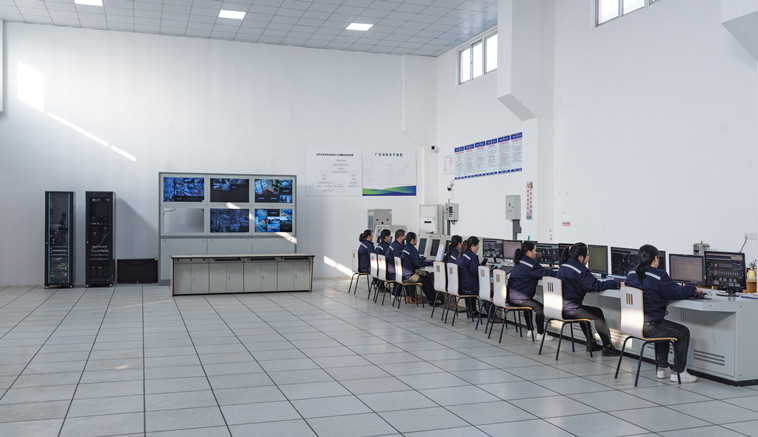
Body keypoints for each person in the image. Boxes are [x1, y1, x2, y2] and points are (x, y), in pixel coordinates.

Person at [625, 245, 701, 383]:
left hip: (632, 325)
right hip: (650, 326)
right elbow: (677, 292)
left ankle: (662, 368)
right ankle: (679, 372)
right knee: (683, 332)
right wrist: (693, 289)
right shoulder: (658, 276)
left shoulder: (630, 273)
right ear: (655, 258)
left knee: (664, 328)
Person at [556, 243, 621, 357]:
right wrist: (617, 284)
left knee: (585, 311)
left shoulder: (563, 266)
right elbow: (596, 286)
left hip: (560, 308)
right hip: (571, 310)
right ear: (580, 257)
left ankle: (591, 343)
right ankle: (607, 347)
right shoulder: (581, 270)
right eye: (587, 255)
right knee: (598, 313)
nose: (589, 258)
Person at [507, 241, 556, 342]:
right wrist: (562, 273)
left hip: (510, 297)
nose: (536, 253)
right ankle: (541, 334)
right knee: (540, 308)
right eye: (534, 250)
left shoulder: (519, 260)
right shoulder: (531, 264)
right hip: (519, 299)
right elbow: (546, 273)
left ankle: (530, 330)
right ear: (529, 252)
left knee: (528, 305)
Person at [458, 236, 501, 322]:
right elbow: (477, 274)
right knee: (489, 292)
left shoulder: (462, 255)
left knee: (486, 291)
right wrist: (486, 269)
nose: (478, 248)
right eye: (477, 246)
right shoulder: (473, 257)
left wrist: (479, 266)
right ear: (473, 246)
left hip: (462, 286)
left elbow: (471, 269)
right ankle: (492, 317)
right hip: (470, 287)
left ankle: (489, 315)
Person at [400, 232, 436, 304]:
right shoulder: (412, 249)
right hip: (409, 276)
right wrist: (431, 263)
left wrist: (422, 260)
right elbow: (418, 263)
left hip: (403, 274)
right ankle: (433, 300)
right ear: (412, 240)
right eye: (416, 239)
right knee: (426, 280)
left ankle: (410, 297)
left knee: (423, 278)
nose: (417, 241)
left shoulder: (405, 248)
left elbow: (413, 260)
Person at [387, 229, 406, 296]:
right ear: (400, 237)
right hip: (392, 272)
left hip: (389, 270)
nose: (405, 238)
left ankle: (396, 294)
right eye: (404, 236)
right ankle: (396, 294)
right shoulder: (397, 247)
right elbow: (398, 260)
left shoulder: (393, 244)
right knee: (406, 275)